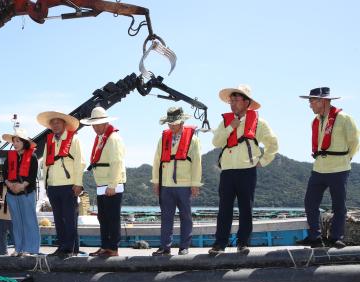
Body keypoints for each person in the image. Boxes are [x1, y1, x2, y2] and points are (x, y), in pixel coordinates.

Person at [209, 85, 279, 255]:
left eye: (236, 100)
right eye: (230, 100)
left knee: (245, 208)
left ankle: (243, 243)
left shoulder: (259, 123)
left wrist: (263, 161)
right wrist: (230, 127)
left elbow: (273, 143)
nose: (232, 103)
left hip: (247, 170)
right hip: (227, 171)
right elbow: (216, 142)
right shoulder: (225, 121)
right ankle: (220, 243)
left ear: (246, 102)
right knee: (224, 208)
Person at [296, 87, 359, 249]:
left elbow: (355, 142)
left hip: (339, 167)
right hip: (319, 167)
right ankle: (315, 237)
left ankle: (336, 237)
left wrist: (346, 158)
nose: (309, 104)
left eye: (311, 101)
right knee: (310, 202)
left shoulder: (344, 118)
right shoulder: (315, 121)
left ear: (322, 101)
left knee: (339, 205)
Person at [151, 106, 202, 256]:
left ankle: (184, 246)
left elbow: (197, 162)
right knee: (166, 216)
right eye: (169, 124)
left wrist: (195, 184)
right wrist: (156, 181)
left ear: (181, 122)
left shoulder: (193, 139)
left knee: (186, 216)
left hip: (185, 183)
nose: (171, 126)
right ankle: (165, 246)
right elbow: (156, 160)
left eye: (174, 123)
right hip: (166, 183)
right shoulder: (163, 138)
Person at [37, 110, 85, 258]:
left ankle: (70, 249)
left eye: (58, 122)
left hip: (69, 184)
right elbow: (45, 164)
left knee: (69, 218)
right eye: (53, 123)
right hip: (53, 185)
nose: (55, 125)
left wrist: (78, 183)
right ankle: (63, 247)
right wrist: (46, 185)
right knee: (58, 218)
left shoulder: (74, 140)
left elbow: (80, 163)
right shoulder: (49, 141)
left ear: (64, 124)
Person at [80, 107, 126, 257]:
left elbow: (117, 162)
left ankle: (113, 248)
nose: (95, 128)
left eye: (98, 124)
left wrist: (112, 185)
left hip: (112, 184)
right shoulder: (101, 138)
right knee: (103, 217)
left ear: (105, 123)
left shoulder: (113, 138)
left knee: (112, 217)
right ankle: (105, 245)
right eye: (93, 125)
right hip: (102, 183)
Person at [2, 128, 40, 256]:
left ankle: (31, 249)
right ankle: (18, 248)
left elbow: (32, 175)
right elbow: (5, 174)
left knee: (29, 221)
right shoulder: (10, 157)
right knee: (16, 222)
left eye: (18, 141)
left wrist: (21, 186)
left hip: (27, 193)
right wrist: (10, 184)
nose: (15, 143)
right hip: (12, 194)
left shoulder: (33, 156)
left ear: (24, 142)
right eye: (14, 141)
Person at [0, 180, 14, 255]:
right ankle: (3, 258)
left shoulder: (17, 185)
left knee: (18, 243)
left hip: (14, 218)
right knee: (1, 248)